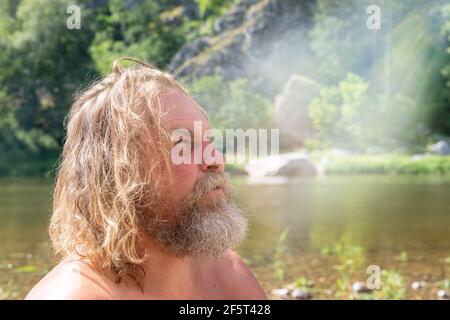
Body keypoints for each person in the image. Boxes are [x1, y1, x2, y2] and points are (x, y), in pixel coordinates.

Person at [26, 58, 267, 300]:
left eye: (209, 141)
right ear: (119, 171)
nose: (216, 159)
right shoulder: (76, 295)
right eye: (183, 144)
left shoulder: (226, 273)